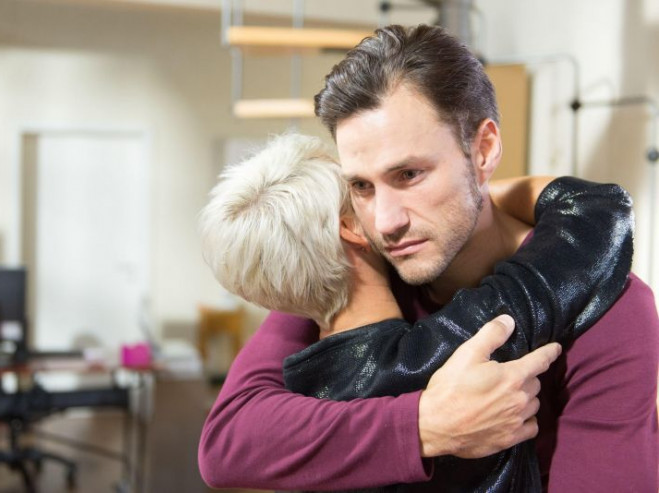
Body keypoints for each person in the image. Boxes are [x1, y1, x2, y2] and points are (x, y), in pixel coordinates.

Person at [199, 25, 659, 491]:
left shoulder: (612, 309)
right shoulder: (360, 264)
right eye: (362, 186)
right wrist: (425, 425)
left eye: (409, 174)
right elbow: (229, 441)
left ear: (483, 151)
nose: (385, 222)